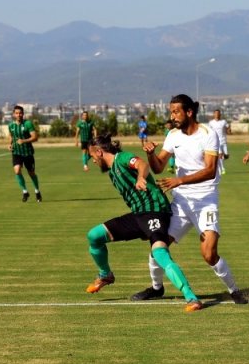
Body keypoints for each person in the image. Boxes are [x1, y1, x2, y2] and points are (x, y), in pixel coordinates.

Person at [135, 93, 248, 305]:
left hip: (205, 201)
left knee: (208, 254)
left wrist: (180, 181)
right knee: (158, 247)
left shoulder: (208, 133)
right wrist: (151, 153)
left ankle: (234, 290)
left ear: (189, 112)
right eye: (171, 112)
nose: (172, 116)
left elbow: (210, 170)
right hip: (181, 203)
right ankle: (156, 288)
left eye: (176, 111)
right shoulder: (173, 135)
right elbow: (158, 166)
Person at [84, 134, 203, 312]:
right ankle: (105, 275)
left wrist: (141, 177)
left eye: (92, 156)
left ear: (99, 152)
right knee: (94, 236)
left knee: (160, 254)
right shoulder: (112, 170)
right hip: (138, 215)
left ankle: (191, 297)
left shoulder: (122, 158)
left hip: (154, 210)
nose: (92, 160)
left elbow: (142, 164)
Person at [7, 105, 42, 202]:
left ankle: (37, 191)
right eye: (17, 113)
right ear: (14, 114)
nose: (18, 115)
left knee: (31, 173)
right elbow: (10, 135)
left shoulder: (27, 124)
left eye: (20, 113)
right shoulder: (11, 125)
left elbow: (35, 137)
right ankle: (25, 191)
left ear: (23, 114)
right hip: (16, 152)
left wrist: (24, 141)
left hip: (27, 153)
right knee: (17, 171)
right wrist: (9, 144)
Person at [208, 109, 231, 174]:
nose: (217, 115)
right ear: (214, 114)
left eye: (218, 113)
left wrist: (229, 130)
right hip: (216, 141)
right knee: (220, 155)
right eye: (216, 113)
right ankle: (222, 169)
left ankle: (219, 165)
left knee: (226, 155)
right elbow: (209, 131)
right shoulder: (211, 123)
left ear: (220, 114)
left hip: (224, 141)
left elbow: (228, 127)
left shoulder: (223, 121)